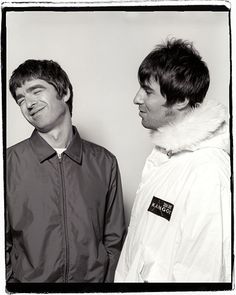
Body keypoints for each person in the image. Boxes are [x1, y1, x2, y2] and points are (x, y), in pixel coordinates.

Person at [115, 39, 231, 282]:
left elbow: (203, 276)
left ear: (180, 100)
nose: (136, 99)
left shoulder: (207, 171)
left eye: (147, 91)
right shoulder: (163, 157)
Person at [6, 59, 126, 283]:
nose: (28, 103)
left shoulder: (105, 162)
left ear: (65, 92)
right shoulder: (8, 163)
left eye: (36, 91)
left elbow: (115, 240)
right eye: (21, 99)